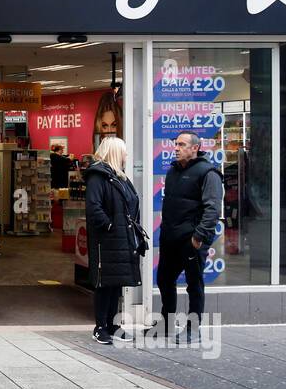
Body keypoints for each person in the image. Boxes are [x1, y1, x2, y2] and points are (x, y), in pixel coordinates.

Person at [158, 130, 223, 342]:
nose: (176, 148)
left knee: (194, 284)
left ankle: (193, 329)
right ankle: (166, 324)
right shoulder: (173, 171)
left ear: (195, 148)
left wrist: (198, 237)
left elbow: (212, 209)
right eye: (175, 144)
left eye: (181, 144)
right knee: (164, 280)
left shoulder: (208, 173)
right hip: (170, 238)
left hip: (191, 240)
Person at [83, 136, 144, 345]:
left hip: (121, 238)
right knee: (104, 283)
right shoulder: (98, 177)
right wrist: (109, 225)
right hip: (107, 240)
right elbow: (94, 207)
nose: (126, 155)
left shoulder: (118, 177)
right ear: (115, 153)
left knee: (116, 283)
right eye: (124, 151)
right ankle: (100, 326)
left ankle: (112, 324)